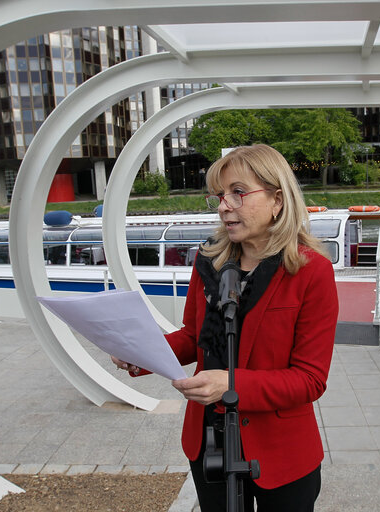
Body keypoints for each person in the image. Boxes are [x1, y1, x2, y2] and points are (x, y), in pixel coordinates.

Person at [113, 144, 338, 511]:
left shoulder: (311, 270)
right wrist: (137, 351)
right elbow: (192, 338)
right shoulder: (208, 260)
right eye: (219, 195)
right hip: (209, 443)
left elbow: (310, 379)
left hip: (282, 453)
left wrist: (231, 385)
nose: (223, 206)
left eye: (237, 192)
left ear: (277, 200)